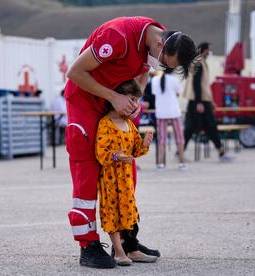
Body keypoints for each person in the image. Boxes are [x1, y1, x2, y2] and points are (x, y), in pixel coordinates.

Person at [65, 16, 197, 269]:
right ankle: (88, 245)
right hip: (85, 101)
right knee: (87, 173)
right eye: (165, 64)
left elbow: (141, 77)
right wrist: (113, 97)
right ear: (160, 44)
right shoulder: (118, 37)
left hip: (113, 103)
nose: (161, 67)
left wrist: (134, 102)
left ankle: (127, 242)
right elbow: (75, 72)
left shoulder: (155, 41)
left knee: (126, 172)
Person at [96, 80, 156, 266]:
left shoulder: (129, 124)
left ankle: (133, 249)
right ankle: (119, 251)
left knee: (129, 212)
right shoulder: (106, 124)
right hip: (110, 180)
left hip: (126, 181)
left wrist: (144, 144)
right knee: (112, 213)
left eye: (137, 101)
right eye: (132, 100)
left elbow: (135, 150)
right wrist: (117, 156)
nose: (135, 105)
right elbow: (101, 152)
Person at [183, 42, 232, 161]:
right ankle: (221, 152)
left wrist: (209, 102)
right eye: (208, 51)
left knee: (195, 127)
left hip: (200, 100)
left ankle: (220, 151)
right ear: (203, 50)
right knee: (203, 126)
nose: (209, 53)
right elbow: (197, 84)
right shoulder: (199, 63)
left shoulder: (199, 62)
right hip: (198, 101)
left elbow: (203, 85)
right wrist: (200, 102)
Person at [152, 68, 187, 170]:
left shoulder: (155, 80)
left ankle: (160, 164)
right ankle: (182, 163)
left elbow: (155, 93)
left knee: (161, 139)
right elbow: (178, 93)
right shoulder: (174, 79)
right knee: (179, 138)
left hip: (161, 112)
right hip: (174, 112)